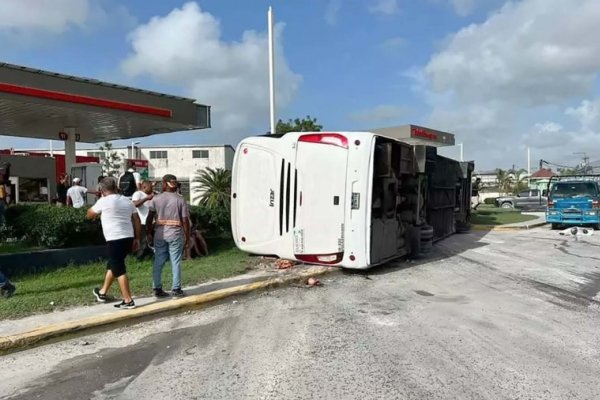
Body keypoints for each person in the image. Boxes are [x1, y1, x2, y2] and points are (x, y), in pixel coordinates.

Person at [87, 177, 141, 309]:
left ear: (102, 189)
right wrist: (137, 238)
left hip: (114, 238)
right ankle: (102, 292)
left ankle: (128, 300)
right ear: (116, 187)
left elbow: (89, 215)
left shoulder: (103, 201)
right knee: (113, 263)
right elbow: (137, 220)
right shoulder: (127, 201)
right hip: (128, 237)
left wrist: (100, 205)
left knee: (119, 269)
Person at [146, 174, 190, 298]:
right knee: (175, 261)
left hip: (159, 234)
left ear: (164, 184)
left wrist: (149, 233)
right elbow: (185, 220)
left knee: (159, 260)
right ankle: (176, 289)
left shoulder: (156, 199)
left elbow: (149, 218)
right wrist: (187, 236)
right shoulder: (180, 200)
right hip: (175, 234)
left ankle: (157, 288)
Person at [131, 180, 155, 260]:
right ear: (144, 187)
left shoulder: (149, 195)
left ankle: (145, 256)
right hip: (141, 221)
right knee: (142, 241)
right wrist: (146, 198)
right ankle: (138, 257)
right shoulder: (138, 194)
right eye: (150, 187)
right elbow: (135, 204)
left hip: (148, 222)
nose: (152, 188)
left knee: (147, 240)